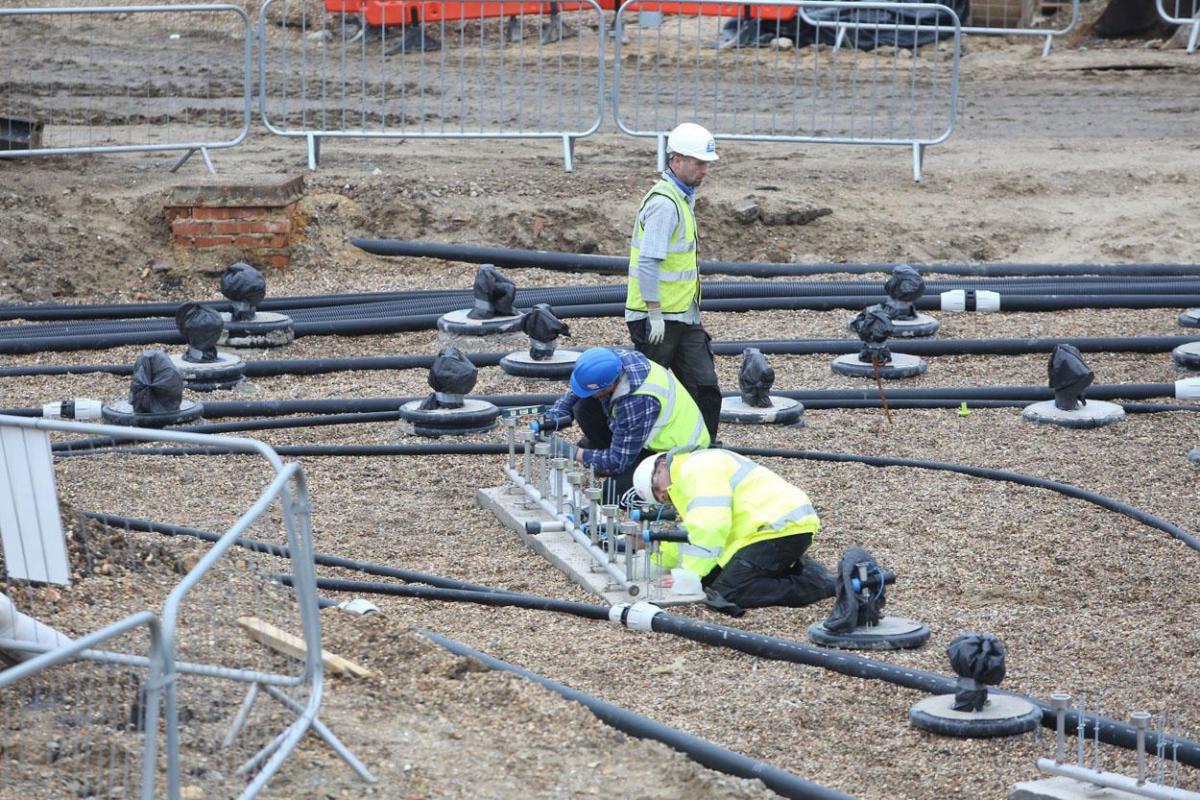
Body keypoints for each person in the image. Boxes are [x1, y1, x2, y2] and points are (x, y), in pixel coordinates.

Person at [632, 448, 835, 613]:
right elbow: (694, 536)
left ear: (661, 466)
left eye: (657, 487)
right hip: (767, 528)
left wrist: (688, 575)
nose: (663, 495)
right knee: (711, 578)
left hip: (778, 527)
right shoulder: (690, 475)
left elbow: (710, 526)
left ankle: (823, 585)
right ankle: (800, 568)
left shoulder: (696, 469)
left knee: (729, 591)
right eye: (660, 497)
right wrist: (651, 545)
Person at [626, 122, 723, 442]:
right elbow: (649, 263)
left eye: (707, 163)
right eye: (698, 163)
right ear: (677, 160)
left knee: (704, 388)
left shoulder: (682, 199)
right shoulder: (664, 204)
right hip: (658, 320)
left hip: (682, 317)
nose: (704, 169)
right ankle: (626, 455)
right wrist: (653, 312)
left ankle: (703, 450)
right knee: (645, 393)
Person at [541, 347, 710, 502]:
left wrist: (571, 452)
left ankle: (624, 469)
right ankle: (604, 455)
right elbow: (580, 388)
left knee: (613, 494)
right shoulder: (615, 360)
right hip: (644, 432)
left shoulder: (637, 401)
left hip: (677, 453)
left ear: (609, 385)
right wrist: (558, 412)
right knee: (583, 405)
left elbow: (617, 460)